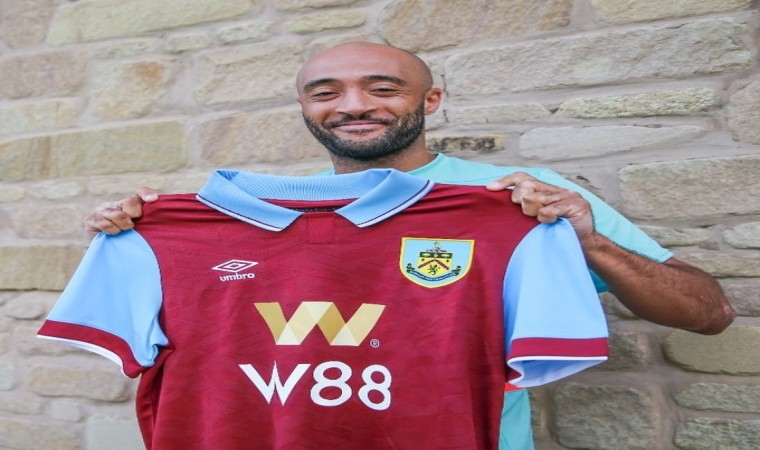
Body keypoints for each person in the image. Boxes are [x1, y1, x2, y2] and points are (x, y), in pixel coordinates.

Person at [81, 42, 735, 450]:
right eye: (326, 93)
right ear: (305, 108)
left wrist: (589, 241)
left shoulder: (517, 199)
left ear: (432, 99)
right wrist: (134, 239)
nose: (354, 105)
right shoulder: (235, 217)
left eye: (383, 88)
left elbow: (708, 313)